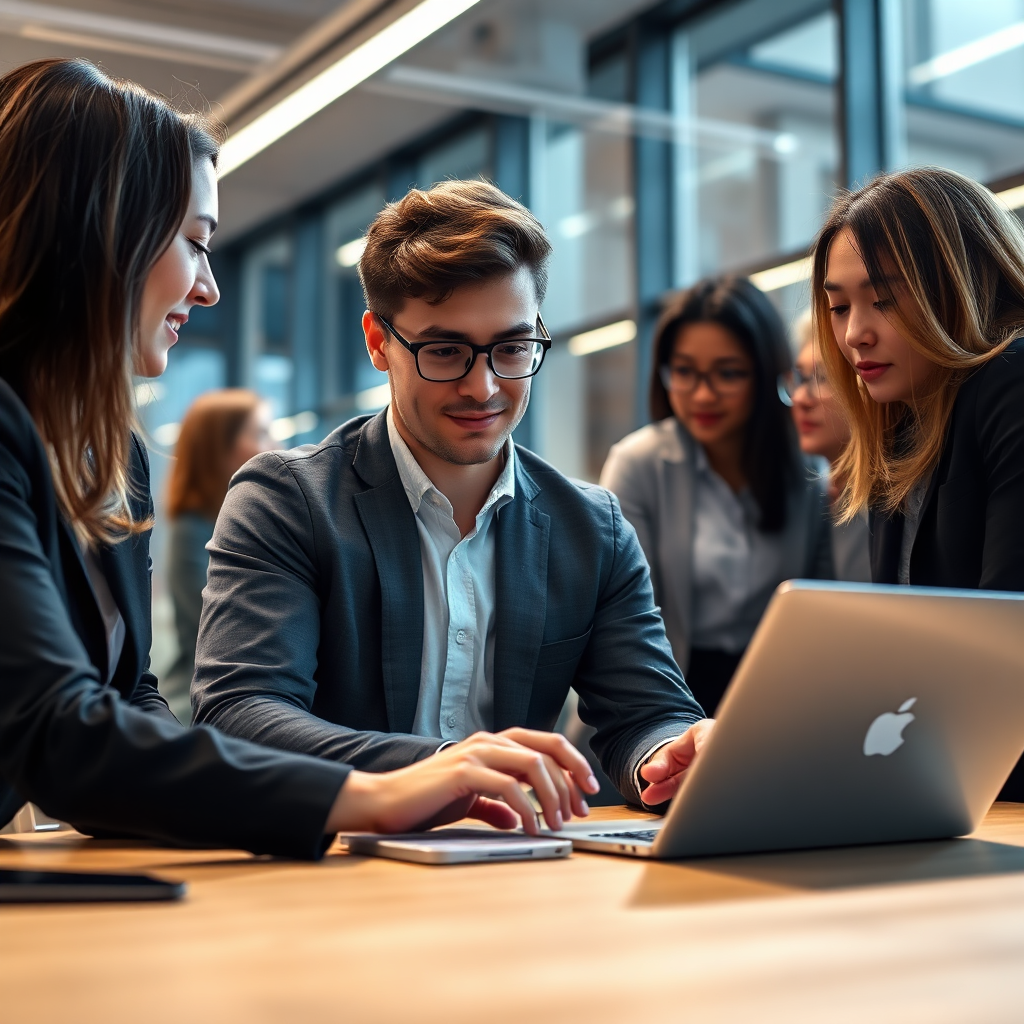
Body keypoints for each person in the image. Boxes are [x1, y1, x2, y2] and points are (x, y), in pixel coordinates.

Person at [0, 57, 604, 854]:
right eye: (193, 242)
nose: (209, 287)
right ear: (102, 235)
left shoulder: (113, 458)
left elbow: (128, 700)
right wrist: (372, 795)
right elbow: (58, 730)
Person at [193, 180, 711, 811]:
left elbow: (647, 714)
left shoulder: (591, 527)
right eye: (445, 351)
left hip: (515, 865)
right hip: (333, 863)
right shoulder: (287, 500)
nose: (483, 387)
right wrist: (443, 767)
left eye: (512, 348)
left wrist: (674, 753)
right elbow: (241, 713)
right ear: (379, 342)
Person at [812, 165, 1024, 799]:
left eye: (886, 299)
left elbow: (1003, 642)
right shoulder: (903, 426)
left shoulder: (1011, 381)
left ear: (963, 285)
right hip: (967, 788)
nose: (854, 334)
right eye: (840, 306)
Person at [599, 277, 833, 716]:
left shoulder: (806, 468)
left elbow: (818, 607)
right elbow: (625, 623)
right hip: (660, 691)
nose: (703, 394)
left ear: (766, 374)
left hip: (773, 696)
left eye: (728, 373)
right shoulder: (638, 464)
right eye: (685, 372)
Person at [162, 390, 277, 722]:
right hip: (200, 703)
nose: (276, 444)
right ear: (220, 450)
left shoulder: (264, 523)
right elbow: (226, 630)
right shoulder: (193, 529)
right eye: (260, 433)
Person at [783, 314, 871, 582]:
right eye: (800, 378)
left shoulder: (888, 504)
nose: (800, 398)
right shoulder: (817, 497)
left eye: (822, 378)